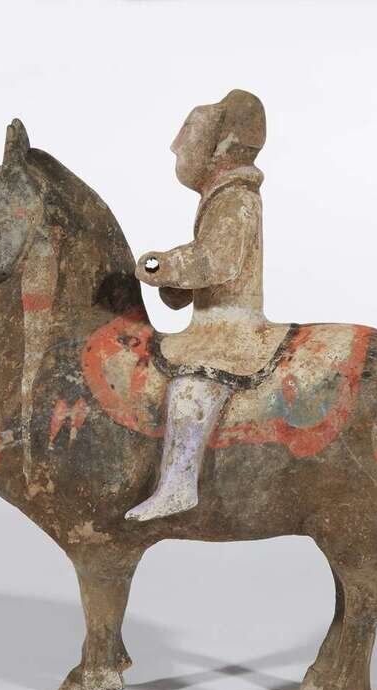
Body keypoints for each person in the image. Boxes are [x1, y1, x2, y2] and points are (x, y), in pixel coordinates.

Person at [125, 89, 289, 522]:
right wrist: (177, 286)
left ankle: (178, 485)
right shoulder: (222, 196)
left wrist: (165, 266)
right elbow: (209, 264)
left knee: (191, 390)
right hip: (210, 323)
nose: (176, 148)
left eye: (188, 137)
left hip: (233, 328)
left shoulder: (236, 198)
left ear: (218, 147)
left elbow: (218, 261)